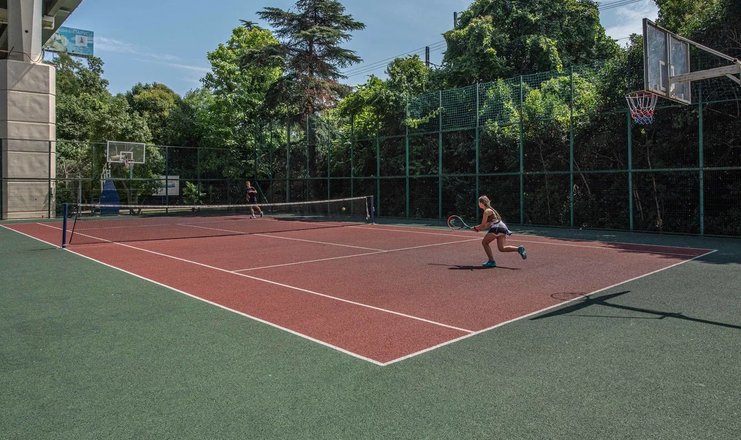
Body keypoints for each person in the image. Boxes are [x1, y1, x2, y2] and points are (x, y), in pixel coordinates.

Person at [472, 195, 527, 268]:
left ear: (482, 203)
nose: (478, 203)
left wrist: (475, 228)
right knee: (501, 248)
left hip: (497, 227)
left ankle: (491, 261)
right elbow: (486, 225)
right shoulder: (490, 210)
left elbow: (483, 225)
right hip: (502, 227)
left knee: (484, 242)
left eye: (479, 202)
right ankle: (519, 249)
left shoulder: (486, 211)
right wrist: (477, 228)